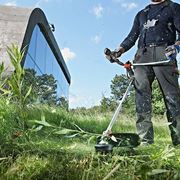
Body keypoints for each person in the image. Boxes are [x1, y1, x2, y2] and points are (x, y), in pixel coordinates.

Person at [109, 0, 180, 146]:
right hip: (142, 56)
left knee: (172, 99)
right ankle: (145, 141)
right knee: (141, 99)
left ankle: (178, 141)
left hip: (165, 53)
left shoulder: (174, 8)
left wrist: (176, 47)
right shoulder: (142, 14)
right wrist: (118, 51)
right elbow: (131, 37)